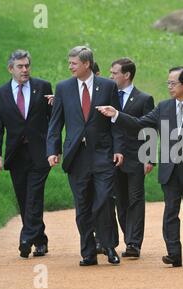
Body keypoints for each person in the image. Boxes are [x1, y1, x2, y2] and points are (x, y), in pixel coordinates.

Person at [97, 66, 183, 267]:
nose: (169, 86)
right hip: (170, 171)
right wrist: (117, 114)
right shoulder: (163, 107)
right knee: (170, 212)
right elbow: (139, 123)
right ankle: (174, 253)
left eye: (173, 83)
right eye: (168, 83)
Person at [46, 46, 123, 266]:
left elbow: (116, 121)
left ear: (86, 64)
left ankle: (108, 246)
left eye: (74, 63)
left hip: (103, 154)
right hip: (76, 156)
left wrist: (118, 149)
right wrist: (53, 150)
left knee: (104, 200)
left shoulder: (108, 86)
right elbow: (55, 123)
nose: (70, 66)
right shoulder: (63, 88)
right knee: (82, 205)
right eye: (69, 63)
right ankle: (88, 252)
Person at [0, 49, 53, 258]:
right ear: (11, 69)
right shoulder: (0, 94)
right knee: (24, 197)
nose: (25, 70)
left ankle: (26, 239)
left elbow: (53, 122)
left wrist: (54, 149)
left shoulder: (43, 87)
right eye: (20, 66)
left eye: (27, 66)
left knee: (34, 196)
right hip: (15, 155)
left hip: (39, 152)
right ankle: (40, 240)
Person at [109, 58, 155, 258]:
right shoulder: (107, 96)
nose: (111, 76)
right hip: (112, 157)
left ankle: (134, 244)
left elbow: (150, 130)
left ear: (126, 75)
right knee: (120, 200)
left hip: (136, 157)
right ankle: (129, 237)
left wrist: (150, 157)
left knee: (135, 199)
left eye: (114, 73)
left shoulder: (144, 99)